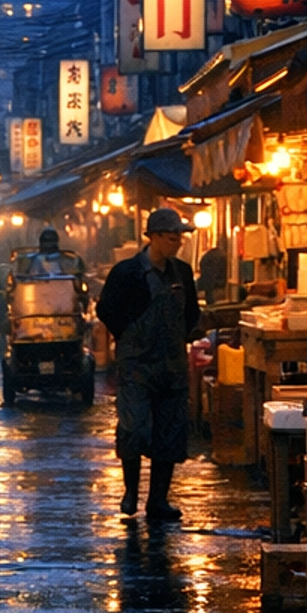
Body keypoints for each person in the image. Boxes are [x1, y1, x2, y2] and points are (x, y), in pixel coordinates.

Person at [97, 205, 202, 522]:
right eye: (171, 238)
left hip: (171, 365)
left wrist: (180, 337)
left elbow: (192, 312)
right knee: (134, 428)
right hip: (137, 367)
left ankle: (158, 500)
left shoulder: (182, 272)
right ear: (153, 237)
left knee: (169, 433)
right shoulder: (127, 272)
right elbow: (106, 310)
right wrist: (128, 335)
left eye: (179, 239)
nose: (177, 243)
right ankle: (131, 492)